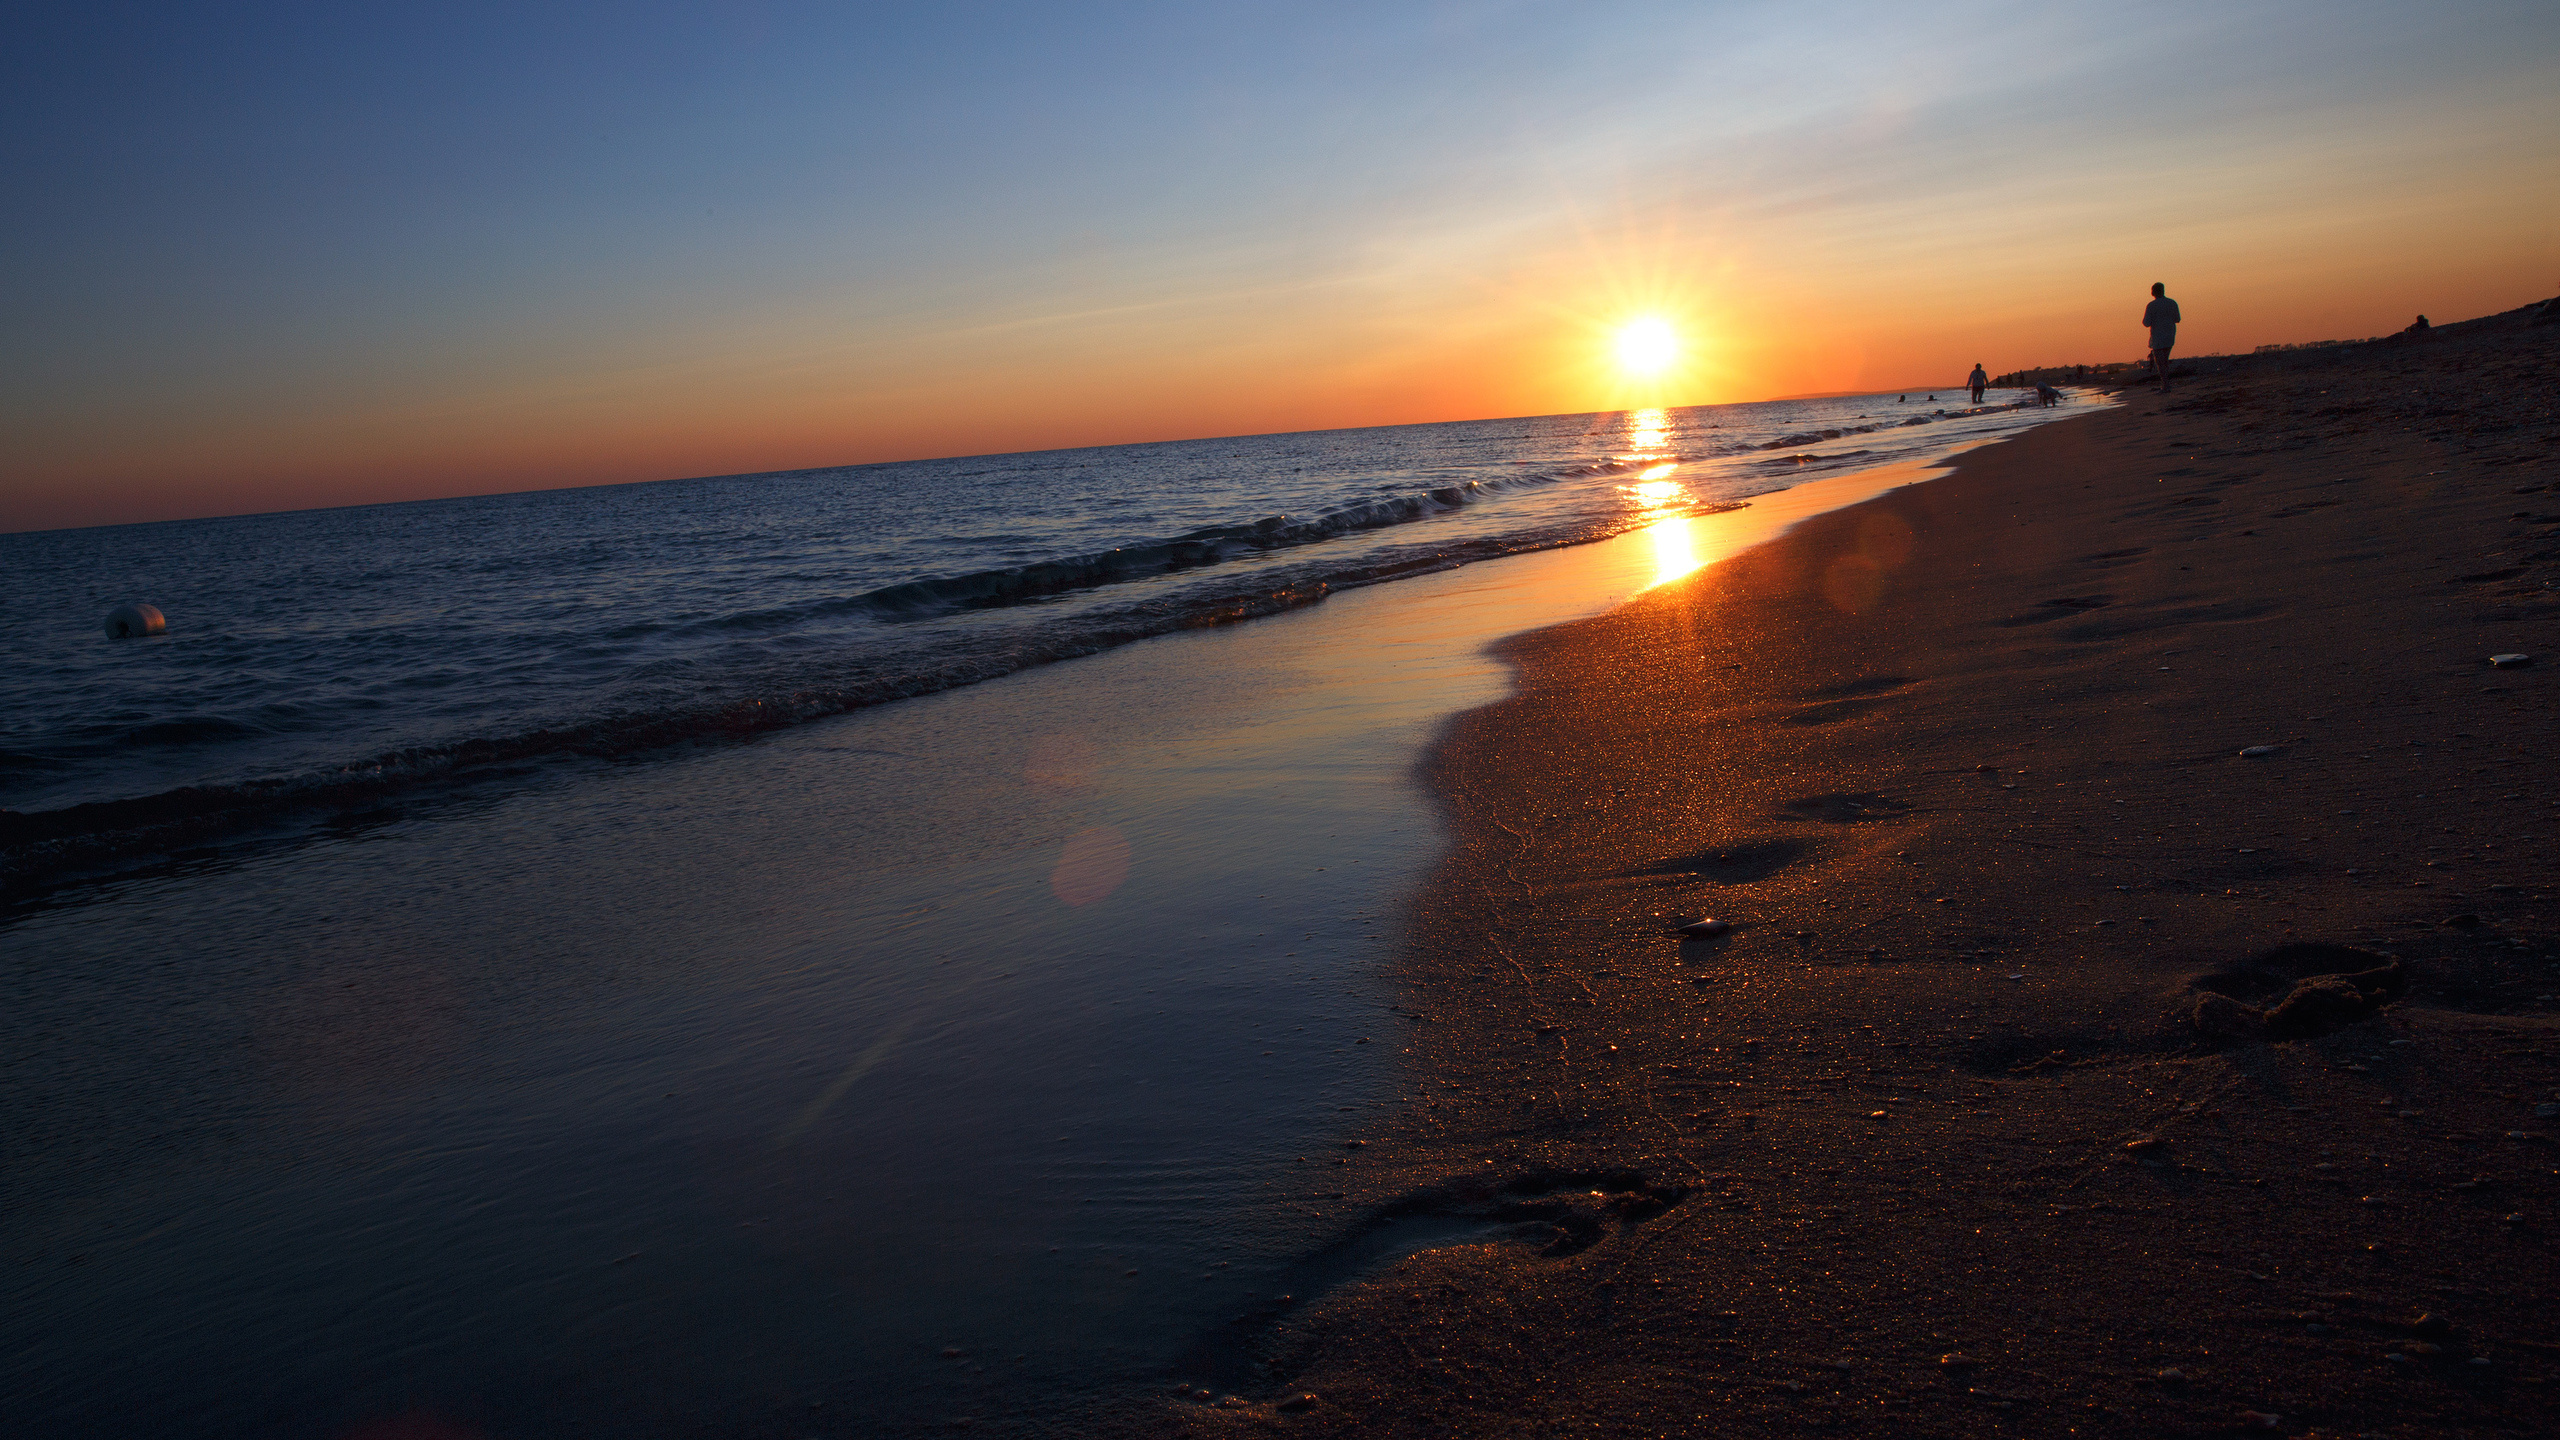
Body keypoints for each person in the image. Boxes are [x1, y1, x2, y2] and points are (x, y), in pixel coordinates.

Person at [2143, 282, 2181, 392]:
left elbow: (2146, 323)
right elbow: (2177, 319)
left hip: (2158, 338)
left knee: (2160, 363)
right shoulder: (2172, 303)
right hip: (2169, 336)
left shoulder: (2151, 306)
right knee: (2165, 361)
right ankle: (2166, 384)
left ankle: (2165, 385)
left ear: (2153, 292)